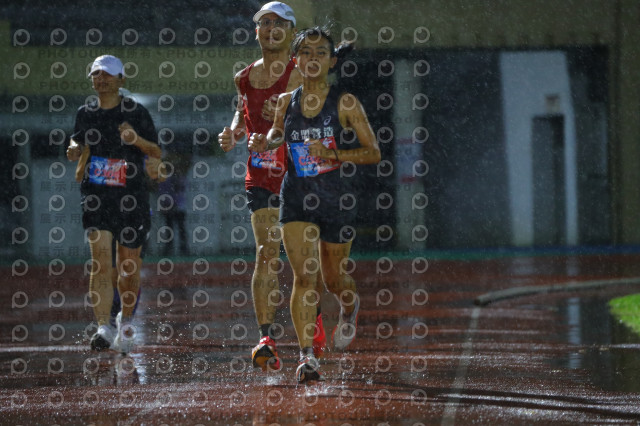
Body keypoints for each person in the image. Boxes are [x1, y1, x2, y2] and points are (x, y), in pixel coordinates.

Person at [248, 26, 381, 382]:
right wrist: (265, 142)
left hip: (336, 199)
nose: (312, 59)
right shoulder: (285, 101)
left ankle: (349, 306)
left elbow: (373, 152)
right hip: (296, 198)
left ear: (332, 61)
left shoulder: (345, 103)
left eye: (320, 53)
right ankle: (307, 357)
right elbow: (278, 133)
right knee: (305, 277)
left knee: (334, 279)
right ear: (295, 60)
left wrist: (332, 153)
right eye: (305, 52)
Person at [217, 2, 326, 372]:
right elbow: (242, 110)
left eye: (280, 24)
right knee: (266, 252)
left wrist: (286, 116)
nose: (272, 29)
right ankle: (265, 338)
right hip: (262, 173)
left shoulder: (302, 72)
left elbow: (319, 116)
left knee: (303, 266)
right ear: (256, 31)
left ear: (291, 32)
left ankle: (312, 323)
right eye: (265, 23)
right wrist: (234, 132)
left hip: (299, 175)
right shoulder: (243, 76)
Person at [66, 54, 162, 355]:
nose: (101, 79)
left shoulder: (136, 111)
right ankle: (103, 327)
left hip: (131, 197)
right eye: (96, 74)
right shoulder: (85, 113)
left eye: (107, 74)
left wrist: (135, 139)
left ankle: (126, 321)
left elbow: (156, 150)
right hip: (96, 195)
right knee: (100, 260)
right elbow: (78, 141)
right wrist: (74, 148)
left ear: (121, 80)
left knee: (127, 266)